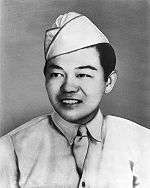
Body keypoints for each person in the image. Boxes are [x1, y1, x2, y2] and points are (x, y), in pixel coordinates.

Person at [0, 12, 150, 188]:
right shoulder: (10, 149)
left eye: (83, 74)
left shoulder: (143, 144)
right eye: (57, 74)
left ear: (108, 81)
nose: (68, 87)